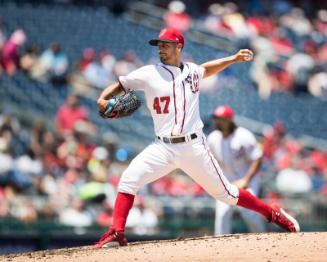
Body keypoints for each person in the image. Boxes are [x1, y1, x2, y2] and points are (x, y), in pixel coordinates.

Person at [94, 28, 300, 248]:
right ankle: (116, 232)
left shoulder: (192, 70)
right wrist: (103, 98)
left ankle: (273, 213)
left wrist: (233, 58)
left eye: (165, 44)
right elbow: (120, 85)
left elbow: (206, 69)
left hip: (193, 146)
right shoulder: (149, 73)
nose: (160, 49)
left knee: (228, 195)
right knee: (128, 179)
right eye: (159, 45)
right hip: (162, 147)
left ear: (178, 46)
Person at [207, 105, 265, 235]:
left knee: (249, 212)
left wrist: (246, 180)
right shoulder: (213, 138)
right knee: (223, 213)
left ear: (229, 120)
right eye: (216, 118)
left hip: (247, 179)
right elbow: (209, 161)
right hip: (227, 181)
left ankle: (263, 238)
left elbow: (258, 158)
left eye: (220, 119)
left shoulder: (244, 136)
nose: (217, 121)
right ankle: (220, 245)